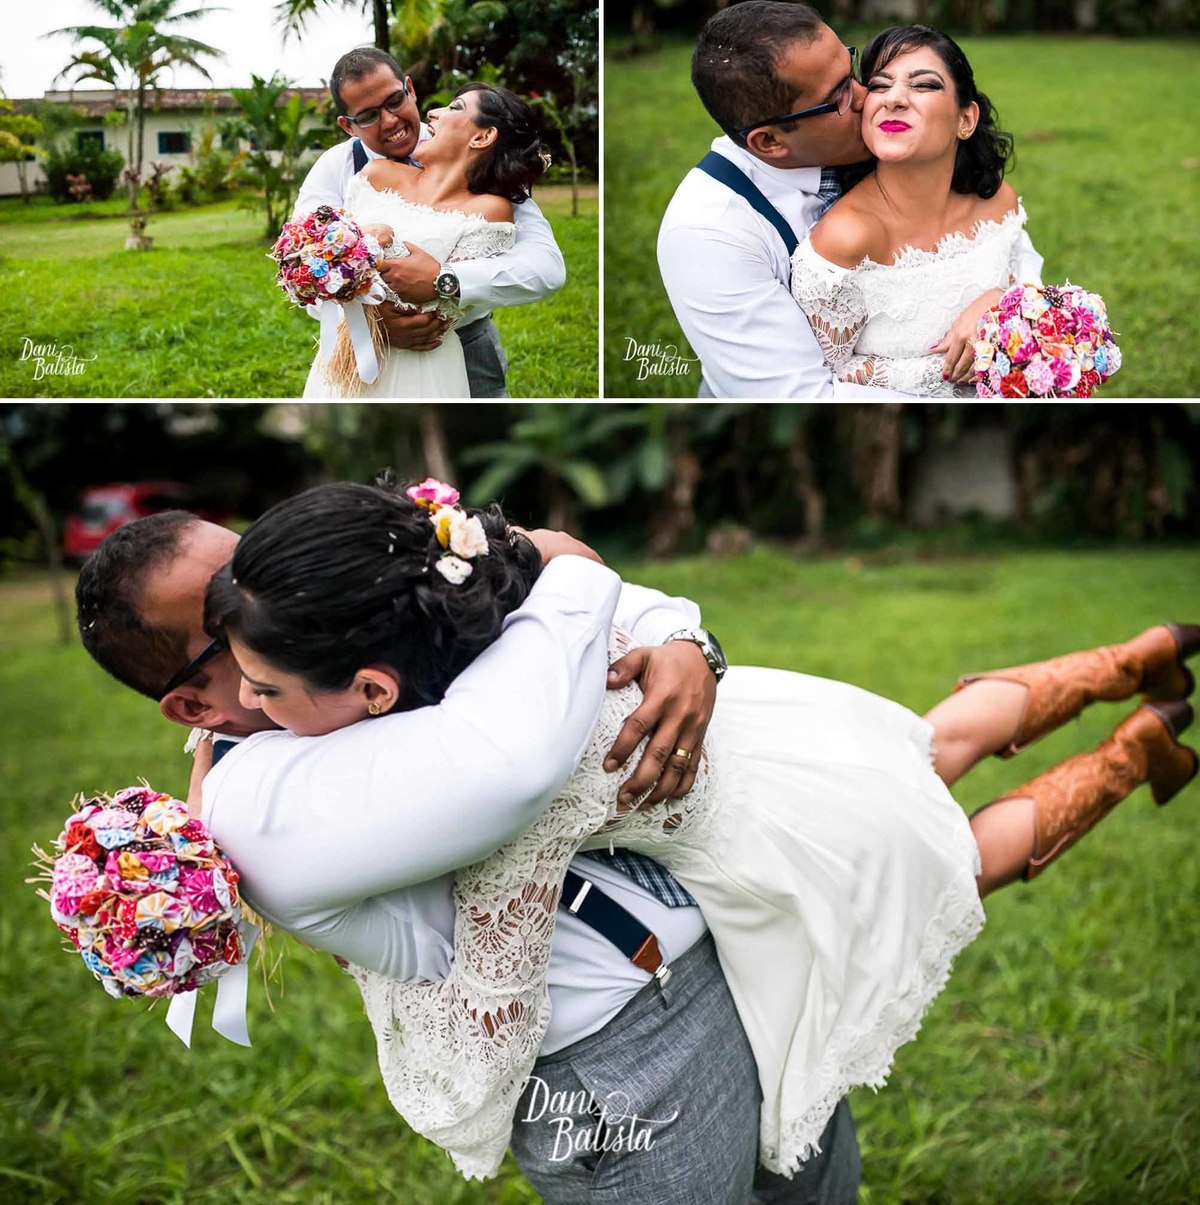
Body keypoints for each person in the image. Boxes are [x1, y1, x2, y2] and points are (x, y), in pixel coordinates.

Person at [202, 480, 1198, 1181]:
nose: (245, 703)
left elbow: (469, 953)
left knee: (958, 863)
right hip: (785, 734)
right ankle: (1132, 654)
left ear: (373, 686)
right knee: (932, 747)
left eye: (267, 686)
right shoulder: (507, 639)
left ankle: (1136, 748)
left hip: (772, 840)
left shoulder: (497, 766)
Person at [76, 508, 861, 1204]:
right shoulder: (260, 799)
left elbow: (571, 602)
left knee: (816, 1177)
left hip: (719, 955)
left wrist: (685, 642)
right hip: (614, 1056)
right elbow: (506, 759)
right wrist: (557, 557)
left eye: (251, 559)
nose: (265, 587)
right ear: (191, 702)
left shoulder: (330, 626)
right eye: (225, 616)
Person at [656, 2, 1042, 398]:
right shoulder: (708, 234)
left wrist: (1008, 309)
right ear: (770, 142)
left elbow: (1008, 253)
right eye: (840, 95)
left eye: (854, 72)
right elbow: (805, 394)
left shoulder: (896, 148)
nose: (870, 97)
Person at [295, 48, 566, 398]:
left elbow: (546, 268)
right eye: (369, 116)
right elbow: (303, 263)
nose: (390, 120)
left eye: (395, 100)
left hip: (461, 344)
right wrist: (366, 323)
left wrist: (445, 281)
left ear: (410, 88)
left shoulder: (487, 174)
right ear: (348, 126)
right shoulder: (341, 168)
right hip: (357, 346)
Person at [790, 25, 1026, 395]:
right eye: (880, 85)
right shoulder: (847, 238)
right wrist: (965, 368)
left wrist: (1000, 305)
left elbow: (1025, 291)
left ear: (965, 120)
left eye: (924, 85)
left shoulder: (999, 203)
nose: (893, 99)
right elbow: (820, 379)